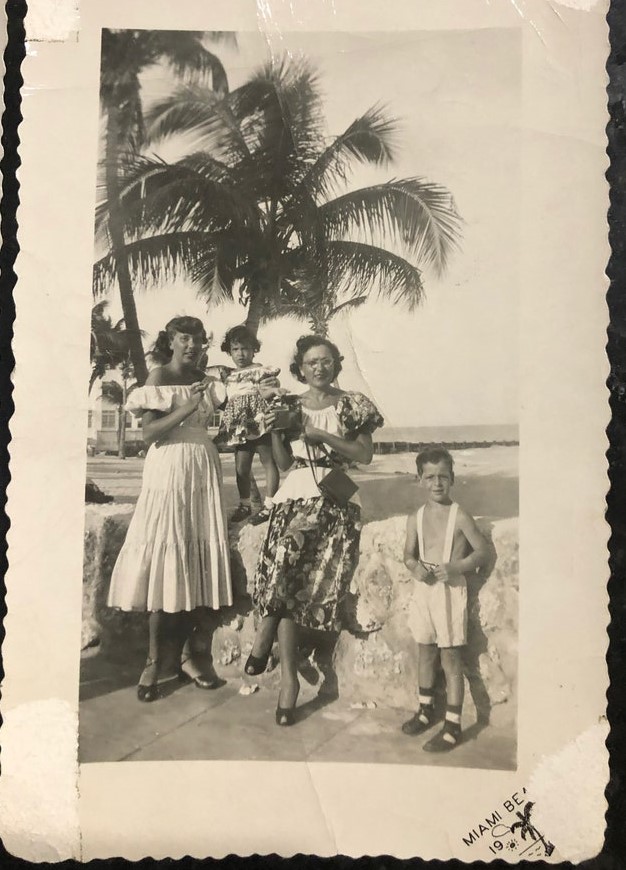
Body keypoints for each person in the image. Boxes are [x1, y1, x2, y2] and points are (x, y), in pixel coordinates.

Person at [245, 335, 384, 726]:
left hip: (334, 495)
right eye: (311, 362)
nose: (319, 368)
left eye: (325, 361)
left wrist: (322, 435)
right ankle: (289, 679)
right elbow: (286, 462)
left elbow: (365, 455)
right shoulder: (290, 404)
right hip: (296, 492)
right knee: (285, 571)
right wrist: (275, 429)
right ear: (300, 369)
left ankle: (265, 641)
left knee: (288, 565)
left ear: (336, 364)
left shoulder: (352, 403)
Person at [107, 316, 233, 702]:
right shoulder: (158, 377)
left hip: (203, 468)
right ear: (171, 341)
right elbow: (148, 434)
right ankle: (153, 662)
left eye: (197, 339)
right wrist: (186, 408)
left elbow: (220, 429)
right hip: (167, 469)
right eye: (184, 338)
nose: (191, 345)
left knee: (199, 564)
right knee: (166, 560)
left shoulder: (209, 381)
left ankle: (191, 658)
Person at [401, 447, 489, 751]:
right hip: (424, 592)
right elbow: (408, 555)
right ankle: (426, 710)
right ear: (420, 480)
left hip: (450, 593)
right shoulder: (417, 517)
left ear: (452, 479)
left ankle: (453, 726)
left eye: (443, 477)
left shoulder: (460, 516)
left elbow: (482, 552)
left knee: (451, 660)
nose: (437, 483)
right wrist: (416, 568)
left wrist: (455, 567)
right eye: (430, 477)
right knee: (425, 652)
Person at [218, 325, 285, 525]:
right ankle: (245, 504)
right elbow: (227, 400)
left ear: (253, 349)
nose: (241, 354)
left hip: (259, 420)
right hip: (239, 425)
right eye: (236, 349)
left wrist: (272, 390)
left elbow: (273, 388)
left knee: (267, 460)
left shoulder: (260, 371)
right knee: (241, 466)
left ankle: (270, 503)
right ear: (229, 351)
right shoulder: (228, 377)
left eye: (245, 348)